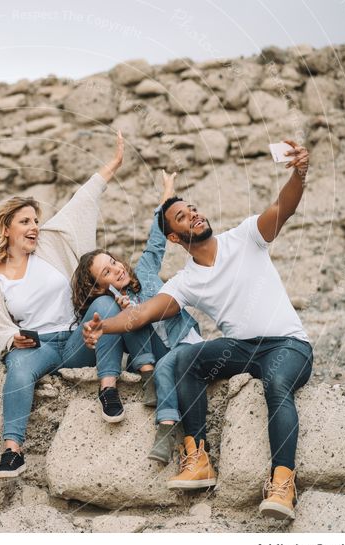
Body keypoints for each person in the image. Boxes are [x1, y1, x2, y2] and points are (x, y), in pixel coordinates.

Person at [84, 140, 312, 520]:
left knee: (276, 384)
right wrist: (103, 325)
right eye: (181, 217)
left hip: (289, 345)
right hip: (242, 349)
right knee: (187, 357)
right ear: (174, 238)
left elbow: (282, 207)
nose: (193, 215)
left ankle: (283, 483)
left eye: (193, 209)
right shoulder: (186, 281)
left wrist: (298, 173)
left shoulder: (244, 236)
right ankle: (198, 458)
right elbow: (140, 316)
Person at [0, 131, 124, 479]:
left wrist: (113, 165)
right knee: (18, 368)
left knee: (105, 305)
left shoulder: (51, 245)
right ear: (7, 229)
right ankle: (13, 452)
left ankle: (108, 391)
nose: (34, 226)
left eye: (35, 220)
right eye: (25, 221)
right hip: (38, 347)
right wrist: (16, 340)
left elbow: (83, 200)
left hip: (77, 340)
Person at [70, 169, 203, 464]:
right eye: (106, 272)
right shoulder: (110, 303)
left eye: (113, 261)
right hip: (155, 351)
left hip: (182, 339)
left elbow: (157, 238)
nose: (116, 268)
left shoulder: (143, 272)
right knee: (128, 316)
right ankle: (147, 375)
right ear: (99, 285)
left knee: (162, 354)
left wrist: (167, 190)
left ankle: (165, 428)